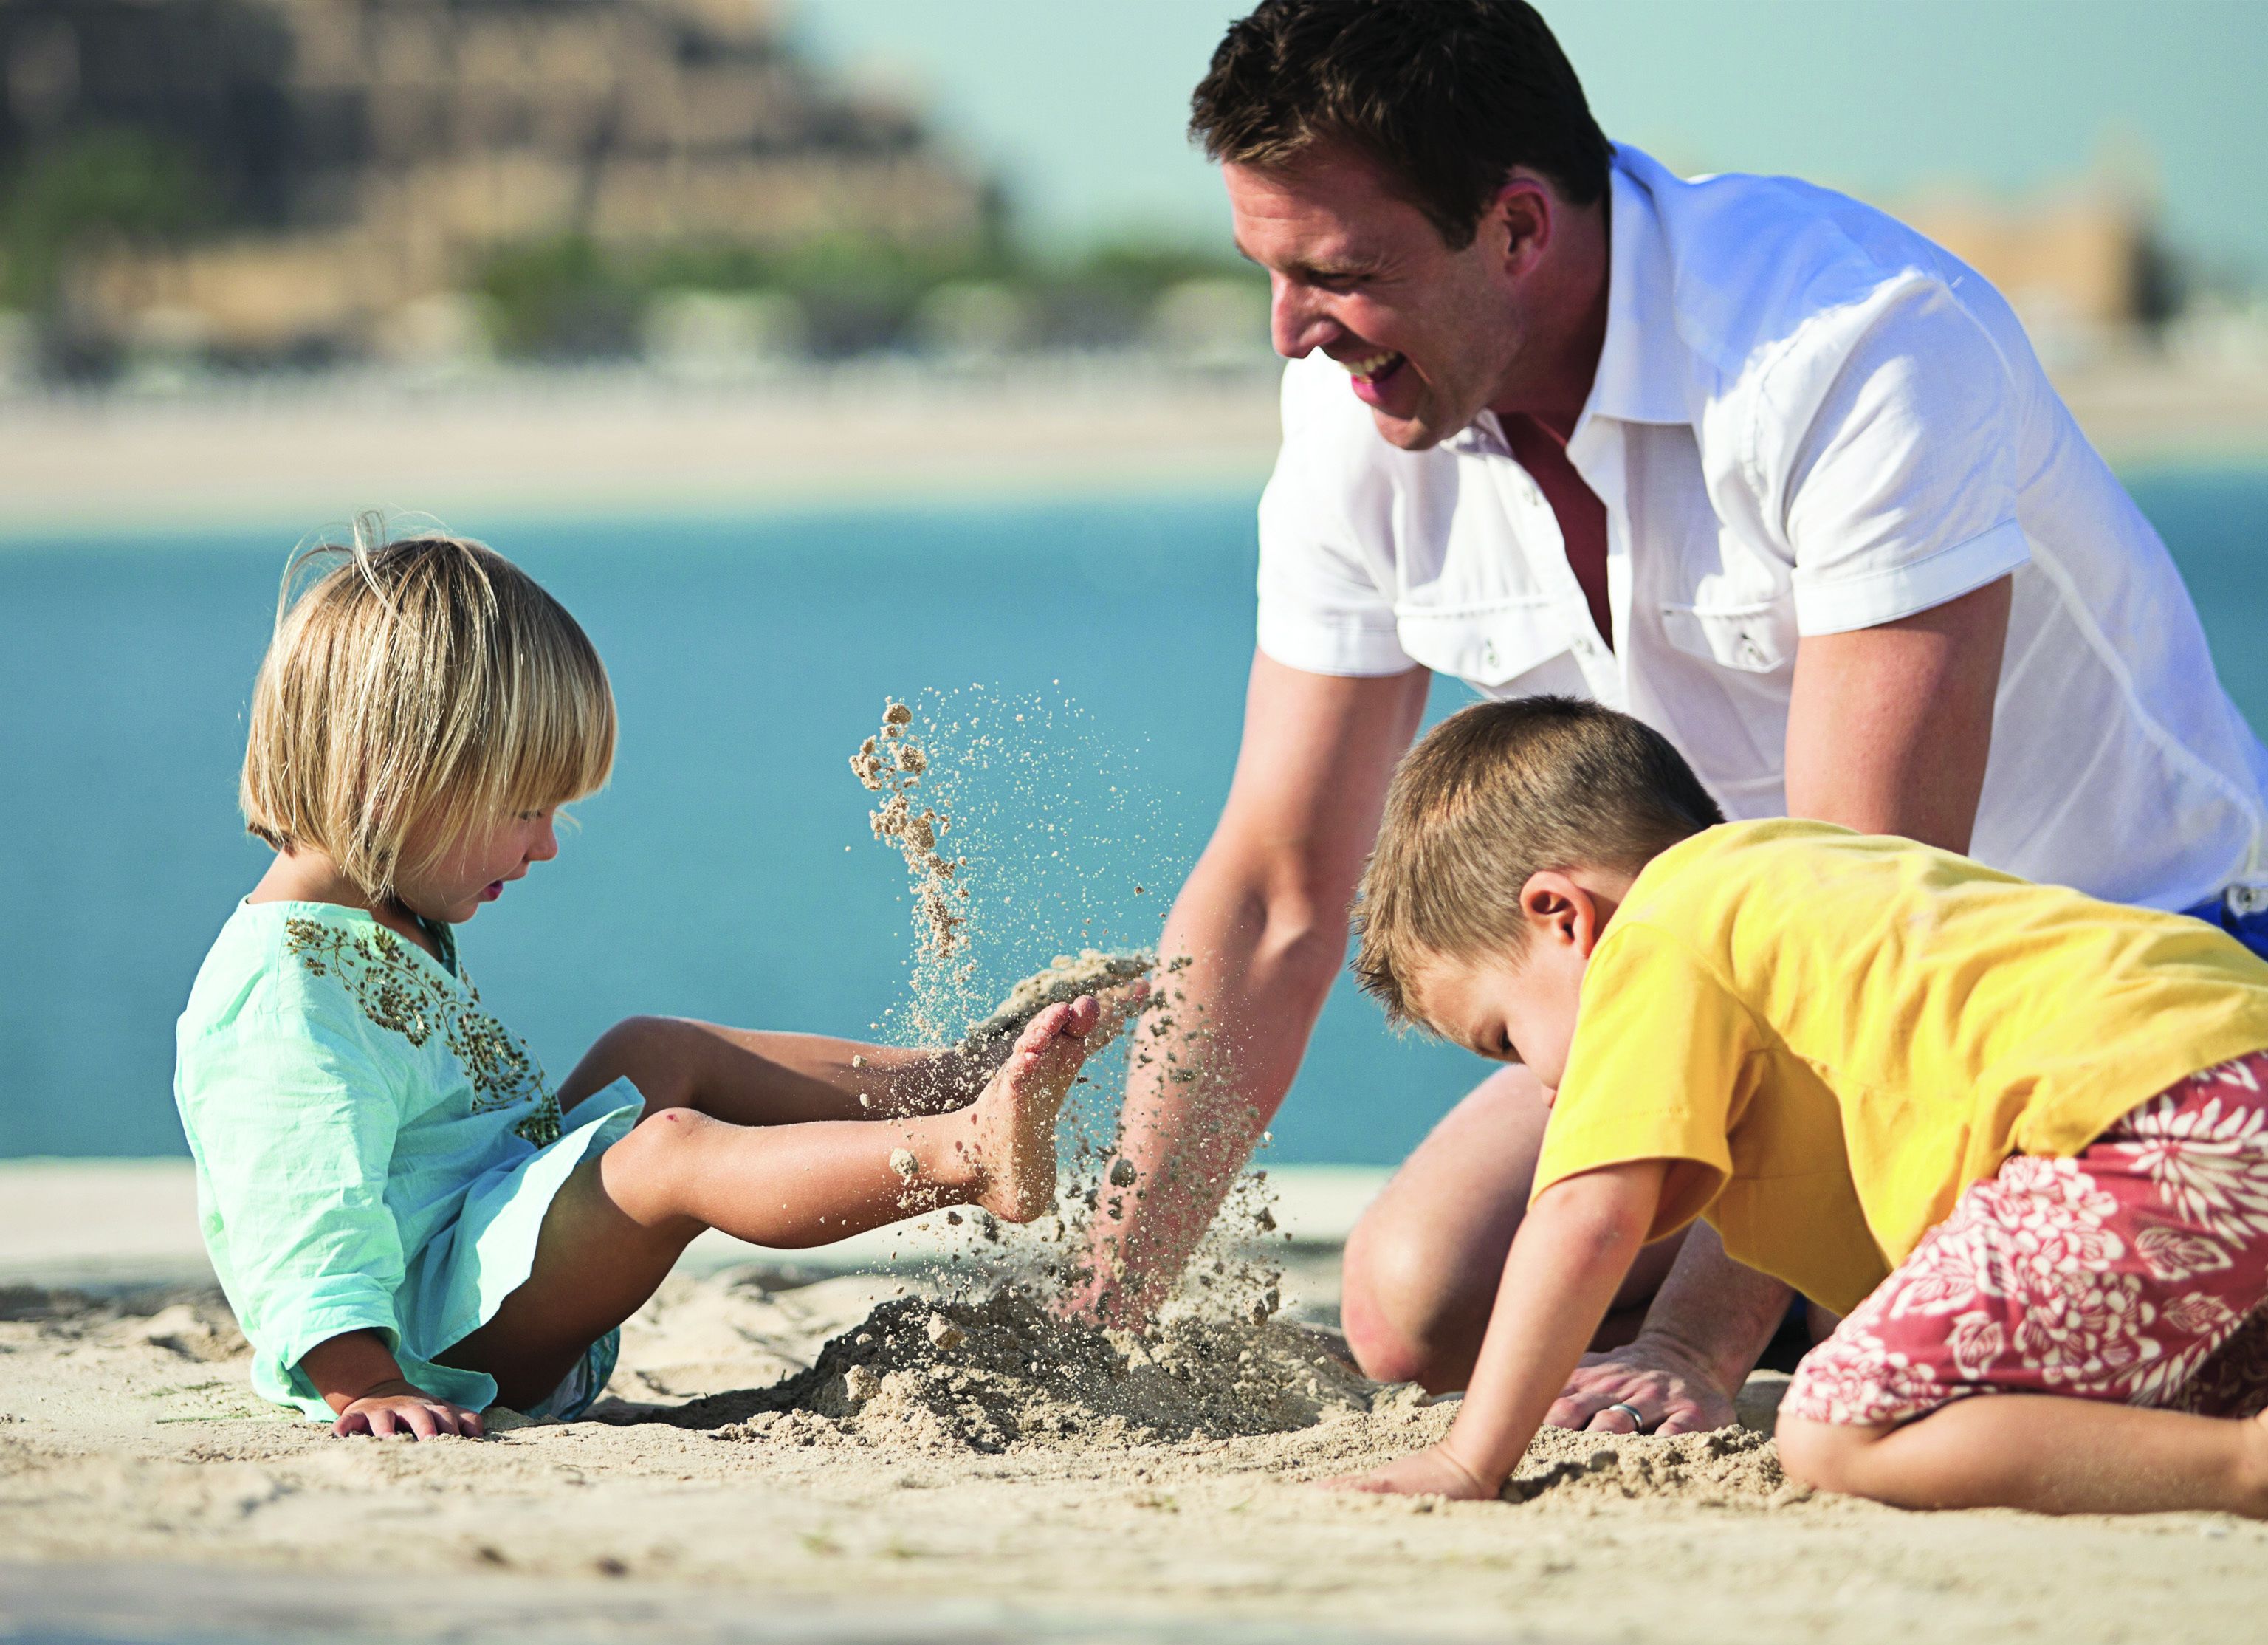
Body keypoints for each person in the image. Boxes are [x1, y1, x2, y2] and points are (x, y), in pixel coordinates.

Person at [1073, 0, 2268, 1441]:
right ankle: (1881, 1275)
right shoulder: (1359, 409)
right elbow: (1276, 888)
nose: (1291, 332)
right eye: (1269, 272)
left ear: (1517, 227)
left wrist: (1696, 1350)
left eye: (1339, 273)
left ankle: (1885, 1284)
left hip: (2115, 973)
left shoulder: (1857, 348)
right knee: (1421, 1299)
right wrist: (1098, 1316)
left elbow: (1850, 919)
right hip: (1730, 1011)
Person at [175, 526, 1134, 1439]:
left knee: (652, 1051)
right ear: (394, 780)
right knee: (665, 1152)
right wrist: (367, 1382)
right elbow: (298, 1205)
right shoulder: (280, 990)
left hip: (481, 1248)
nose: (547, 844)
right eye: (523, 809)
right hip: (429, 1344)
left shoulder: (384, 914)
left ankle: (958, 1082)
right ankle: (969, 1153)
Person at [1327, 696, 2268, 1515]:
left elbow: (1585, 1216)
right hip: (2229, 1066)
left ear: (1563, 915)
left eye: (1503, 1036)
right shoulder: (1800, 874)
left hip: (2138, 1128)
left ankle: (2247, 1471)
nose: (1541, 1088)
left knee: (1837, 1433)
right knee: (2163, 1398)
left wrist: (1469, 1456)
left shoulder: (1652, 937)